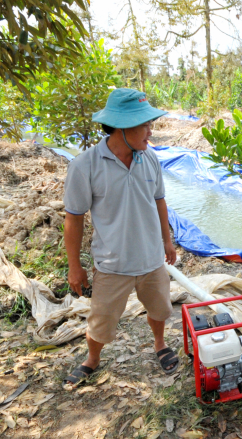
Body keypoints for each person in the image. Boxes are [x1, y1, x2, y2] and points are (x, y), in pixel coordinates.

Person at [62, 88, 178, 388]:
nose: (150, 131)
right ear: (122, 128)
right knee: (101, 322)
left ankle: (159, 343)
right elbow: (73, 219)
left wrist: (167, 241)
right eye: (145, 125)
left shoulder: (149, 158)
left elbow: (160, 200)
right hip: (112, 263)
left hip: (152, 259)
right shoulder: (84, 166)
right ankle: (93, 359)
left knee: (159, 309)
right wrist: (74, 266)